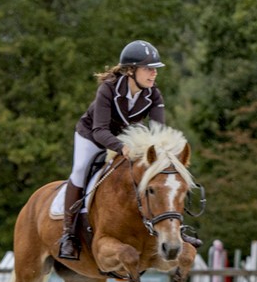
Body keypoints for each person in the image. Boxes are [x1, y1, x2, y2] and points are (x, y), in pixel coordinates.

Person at [59, 40, 200, 260]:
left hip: (129, 140)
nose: (153, 74)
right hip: (93, 136)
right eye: (148, 69)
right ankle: (68, 234)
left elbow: (157, 132)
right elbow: (100, 130)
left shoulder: (153, 95)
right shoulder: (108, 89)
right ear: (130, 71)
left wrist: (165, 156)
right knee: (79, 170)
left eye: (155, 69)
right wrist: (121, 147)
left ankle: (173, 227)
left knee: (162, 179)